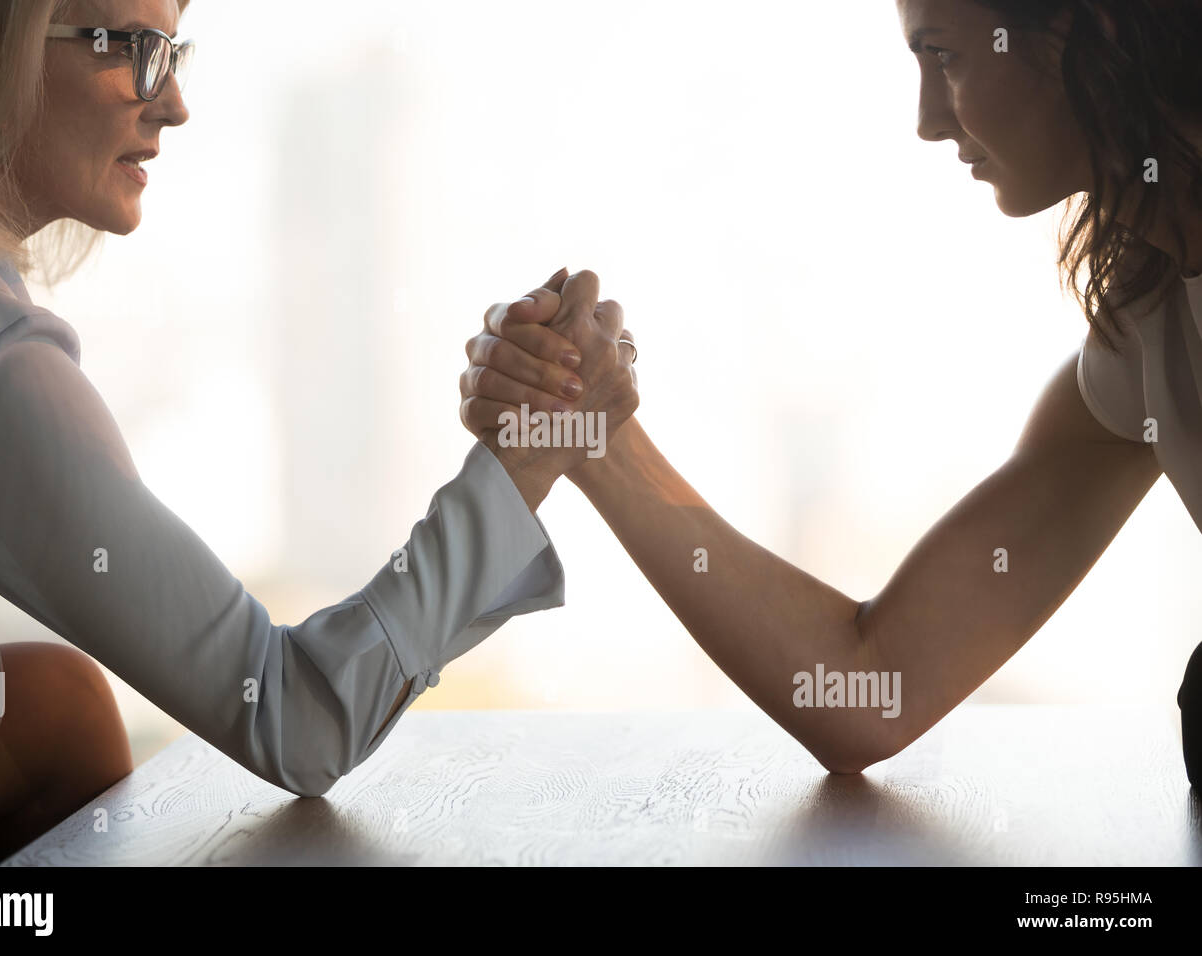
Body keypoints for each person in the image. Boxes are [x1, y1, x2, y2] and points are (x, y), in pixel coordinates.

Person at [0, 0, 639, 864]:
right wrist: (522, 465)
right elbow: (293, 715)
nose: (173, 102)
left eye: (174, 51)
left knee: (56, 708)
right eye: (139, 51)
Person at [460, 0, 1202, 780]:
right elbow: (875, 685)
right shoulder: (1146, 333)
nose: (926, 120)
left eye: (944, 57)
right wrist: (592, 430)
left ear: (1089, 32)